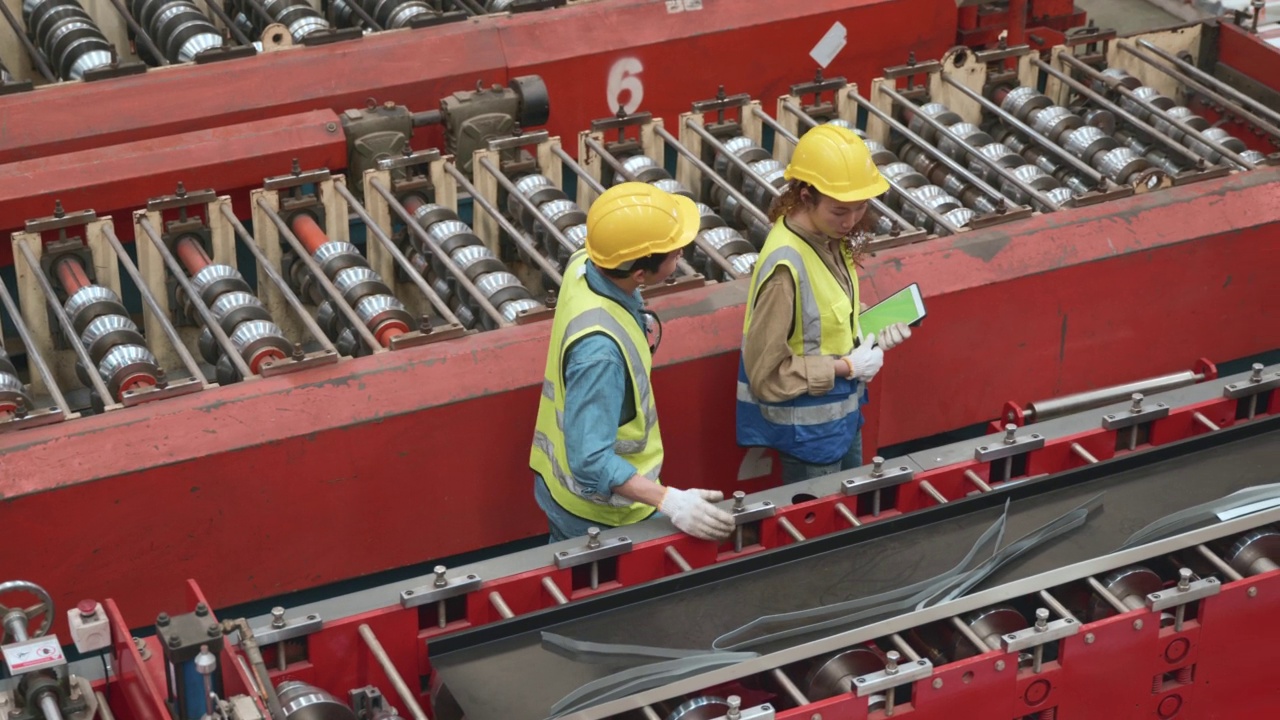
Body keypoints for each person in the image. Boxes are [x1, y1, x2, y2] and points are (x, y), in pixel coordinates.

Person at [531, 182, 736, 543]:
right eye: (674, 254)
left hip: (557, 488)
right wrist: (668, 500)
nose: (681, 255)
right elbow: (590, 462)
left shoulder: (586, 264)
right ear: (639, 274)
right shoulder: (600, 354)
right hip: (597, 513)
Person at [736, 124, 914, 484]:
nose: (851, 221)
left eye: (860, 207)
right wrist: (846, 366)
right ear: (806, 197)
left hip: (841, 420)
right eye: (839, 211)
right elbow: (766, 375)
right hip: (808, 439)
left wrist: (872, 329)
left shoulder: (827, 238)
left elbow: (823, 319)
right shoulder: (785, 268)